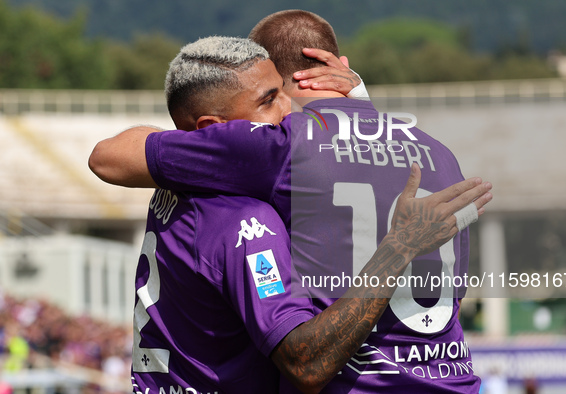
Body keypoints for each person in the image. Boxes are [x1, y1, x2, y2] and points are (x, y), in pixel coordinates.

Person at [89, 11, 493, 393]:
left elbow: (108, 157)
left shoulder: (279, 148)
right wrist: (358, 102)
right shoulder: (439, 154)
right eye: (269, 99)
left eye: (278, 93)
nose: (284, 112)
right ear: (340, 64)